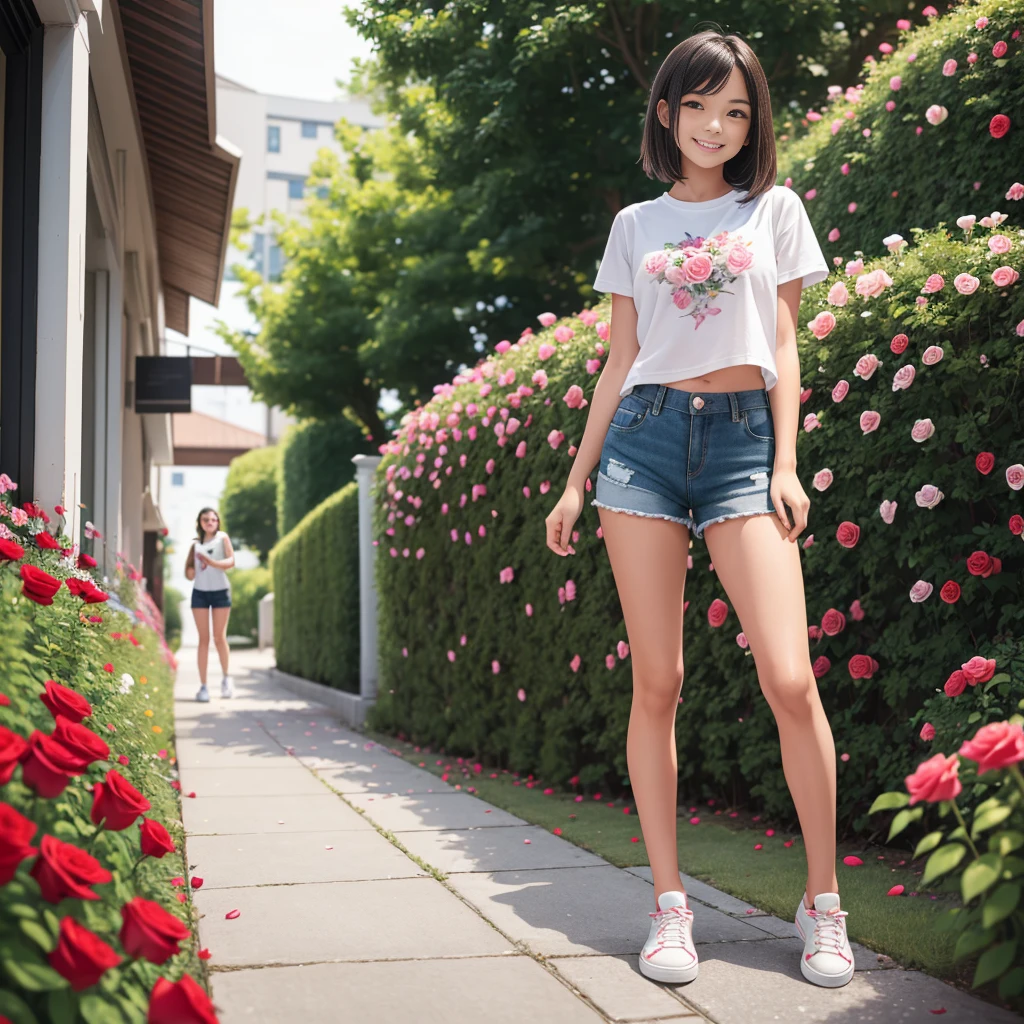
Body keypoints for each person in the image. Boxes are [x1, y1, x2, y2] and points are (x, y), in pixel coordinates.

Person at [544, 26, 852, 990]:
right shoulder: (635, 224)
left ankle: (823, 904)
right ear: (667, 113)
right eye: (697, 107)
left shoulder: (778, 210)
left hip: (742, 450)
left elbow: (788, 346)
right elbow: (619, 359)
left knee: (792, 680)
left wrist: (788, 462)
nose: (715, 125)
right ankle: (671, 907)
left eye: (735, 110)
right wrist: (575, 477)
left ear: (752, 121)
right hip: (640, 447)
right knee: (659, 684)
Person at [184, 507, 236, 702]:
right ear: (200, 523)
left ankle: (226, 679)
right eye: (206, 519)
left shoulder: (223, 538)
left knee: (219, 637)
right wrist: (194, 566)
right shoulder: (195, 545)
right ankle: (204, 687)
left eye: (213, 519)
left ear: (218, 522)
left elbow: (231, 561)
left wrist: (211, 562)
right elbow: (190, 574)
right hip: (200, 594)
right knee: (203, 639)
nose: (210, 522)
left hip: (221, 593)